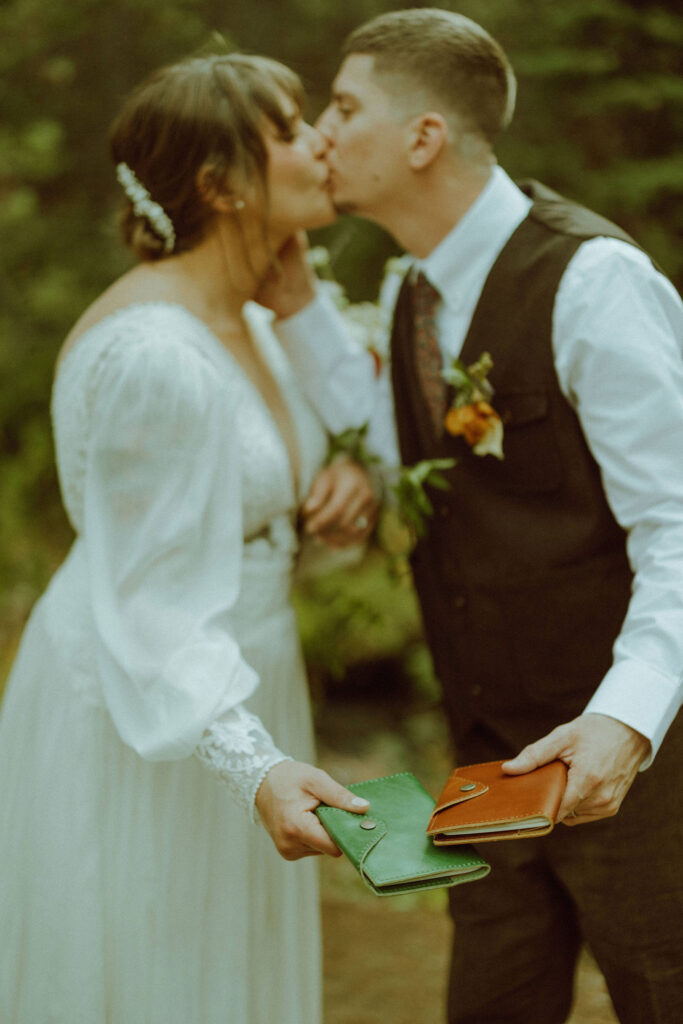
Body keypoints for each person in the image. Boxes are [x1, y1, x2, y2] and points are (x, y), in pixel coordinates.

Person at [261, 9, 683, 1023]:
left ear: (423, 138)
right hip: (490, 765)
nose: (321, 130)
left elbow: (676, 524)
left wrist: (623, 723)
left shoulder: (594, 282)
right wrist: (304, 316)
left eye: (344, 106)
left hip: (644, 771)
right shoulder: (409, 287)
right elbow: (382, 428)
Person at [0, 52, 381, 1024]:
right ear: (218, 184)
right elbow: (153, 604)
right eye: (291, 129)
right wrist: (250, 765)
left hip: (249, 667)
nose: (320, 142)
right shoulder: (158, 359)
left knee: (231, 966)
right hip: (149, 707)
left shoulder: (257, 313)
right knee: (154, 963)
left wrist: (347, 474)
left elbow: (302, 481)